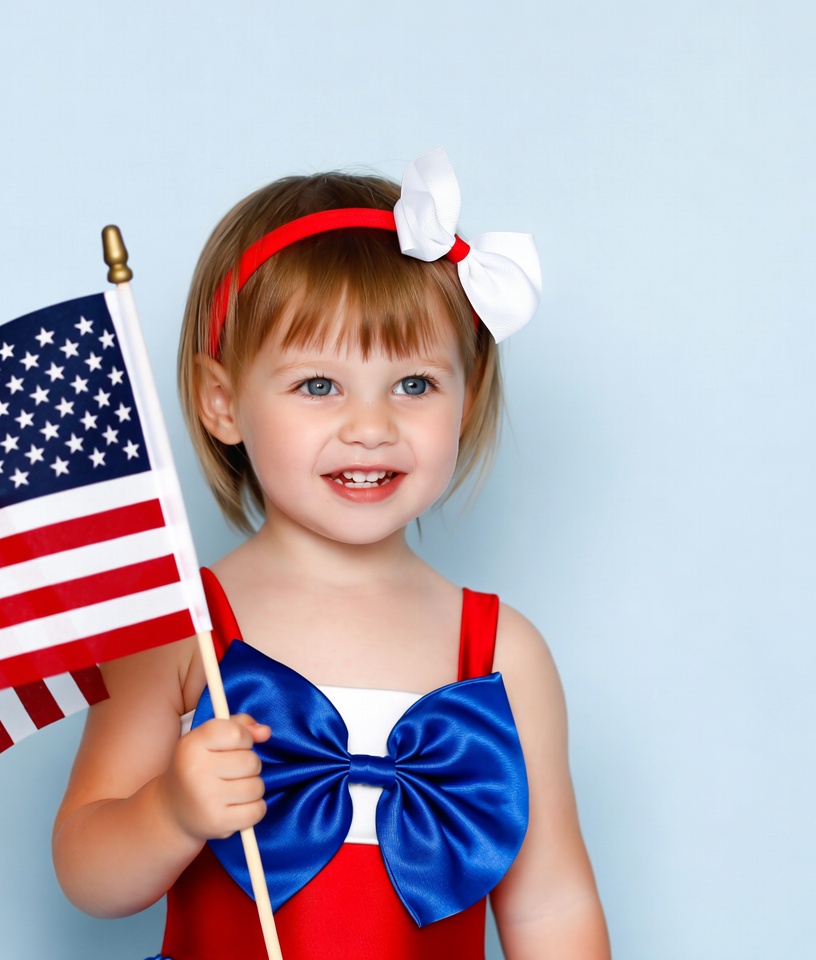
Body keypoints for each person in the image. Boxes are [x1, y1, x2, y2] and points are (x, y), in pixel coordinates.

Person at [52, 149, 610, 959]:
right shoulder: (182, 628)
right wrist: (169, 810)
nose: (371, 425)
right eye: (319, 385)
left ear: (469, 394)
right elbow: (86, 872)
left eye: (415, 384)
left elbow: (553, 905)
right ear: (222, 402)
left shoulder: (501, 655)